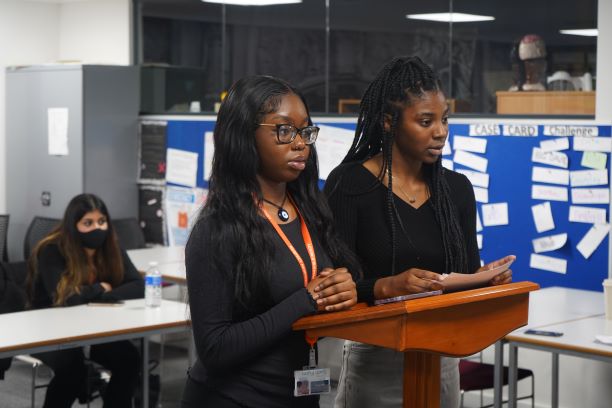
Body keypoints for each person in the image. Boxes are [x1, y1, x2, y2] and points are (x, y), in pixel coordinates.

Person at [324, 56, 514, 408]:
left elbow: (465, 271)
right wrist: (387, 286)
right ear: (388, 122)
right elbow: (334, 284)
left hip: (443, 359)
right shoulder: (349, 185)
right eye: (425, 121)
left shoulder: (456, 189)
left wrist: (484, 280)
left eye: (444, 120)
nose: (440, 131)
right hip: (375, 361)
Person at [182, 75, 359, 408]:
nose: (300, 143)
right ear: (244, 135)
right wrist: (306, 300)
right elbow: (216, 348)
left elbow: (312, 309)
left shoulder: (311, 210)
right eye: (283, 130)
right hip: (233, 399)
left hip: (299, 395)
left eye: (305, 130)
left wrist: (343, 292)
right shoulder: (217, 229)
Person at [26, 193, 143, 408]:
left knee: (129, 360)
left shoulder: (110, 247)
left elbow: (138, 285)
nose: (97, 228)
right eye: (87, 223)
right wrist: (101, 287)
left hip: (92, 327)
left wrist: (102, 295)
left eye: (101, 221)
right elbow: (67, 299)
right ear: (73, 225)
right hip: (47, 330)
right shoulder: (52, 249)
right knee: (72, 370)